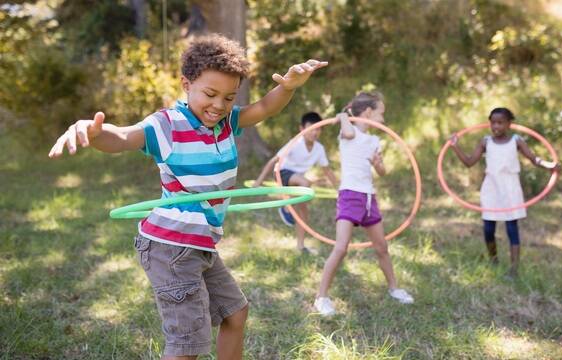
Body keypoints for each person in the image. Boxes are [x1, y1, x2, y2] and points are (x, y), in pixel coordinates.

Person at [48, 34, 327, 360]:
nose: (219, 105)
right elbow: (122, 137)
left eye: (229, 96)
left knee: (235, 313)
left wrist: (289, 86)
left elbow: (264, 107)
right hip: (171, 246)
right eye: (210, 94)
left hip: (199, 243)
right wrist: (94, 133)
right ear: (186, 84)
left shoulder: (226, 123)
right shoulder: (167, 124)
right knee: (188, 345)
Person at [313, 92, 414, 317]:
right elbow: (349, 131)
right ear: (368, 112)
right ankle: (321, 297)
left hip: (369, 197)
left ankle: (394, 288)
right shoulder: (347, 131)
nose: (383, 119)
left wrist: (378, 165)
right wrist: (342, 115)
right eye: (381, 113)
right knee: (341, 248)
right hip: (349, 195)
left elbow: (382, 171)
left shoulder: (375, 140)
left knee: (382, 248)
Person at [449, 107, 556, 278]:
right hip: (491, 188)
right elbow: (469, 162)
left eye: (500, 123)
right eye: (493, 123)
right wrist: (455, 146)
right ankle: (493, 260)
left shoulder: (517, 140)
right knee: (488, 229)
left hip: (511, 188)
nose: (496, 126)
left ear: (509, 124)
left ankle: (514, 269)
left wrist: (549, 165)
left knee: (512, 228)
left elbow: (533, 158)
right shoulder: (486, 142)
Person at [254, 111, 338, 254]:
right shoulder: (295, 143)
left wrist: (340, 189)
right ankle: (286, 208)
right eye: (311, 128)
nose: (314, 132)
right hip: (282, 172)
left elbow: (327, 171)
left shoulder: (319, 149)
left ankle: (300, 246)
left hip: (298, 178)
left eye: (318, 129)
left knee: (304, 213)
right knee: (305, 183)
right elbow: (274, 161)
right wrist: (258, 182)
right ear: (302, 129)